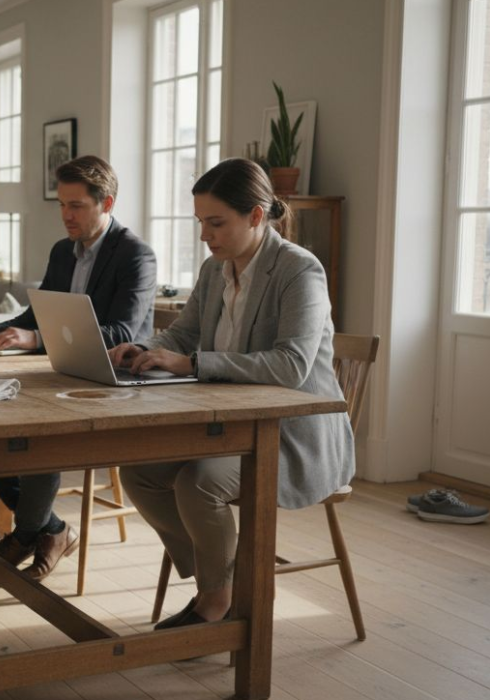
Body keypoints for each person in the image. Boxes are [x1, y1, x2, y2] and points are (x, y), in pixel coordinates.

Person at [108, 158, 354, 629]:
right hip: (227, 426)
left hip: (291, 435)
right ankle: (227, 575)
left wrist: (194, 364)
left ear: (256, 216)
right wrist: (145, 348)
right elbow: (183, 334)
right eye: (201, 222)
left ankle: (215, 599)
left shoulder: (299, 270)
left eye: (216, 223)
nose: (205, 234)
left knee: (199, 482)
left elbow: (291, 365)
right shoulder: (214, 269)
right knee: (139, 472)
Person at [0, 155, 157, 580]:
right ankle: (49, 529)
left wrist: (36, 340)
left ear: (107, 203)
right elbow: (38, 315)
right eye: (62, 205)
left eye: (77, 206)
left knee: (39, 432)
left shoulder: (135, 255)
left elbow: (121, 332)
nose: (66, 215)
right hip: (62, 374)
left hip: (116, 383)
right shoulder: (62, 251)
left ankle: (26, 535)